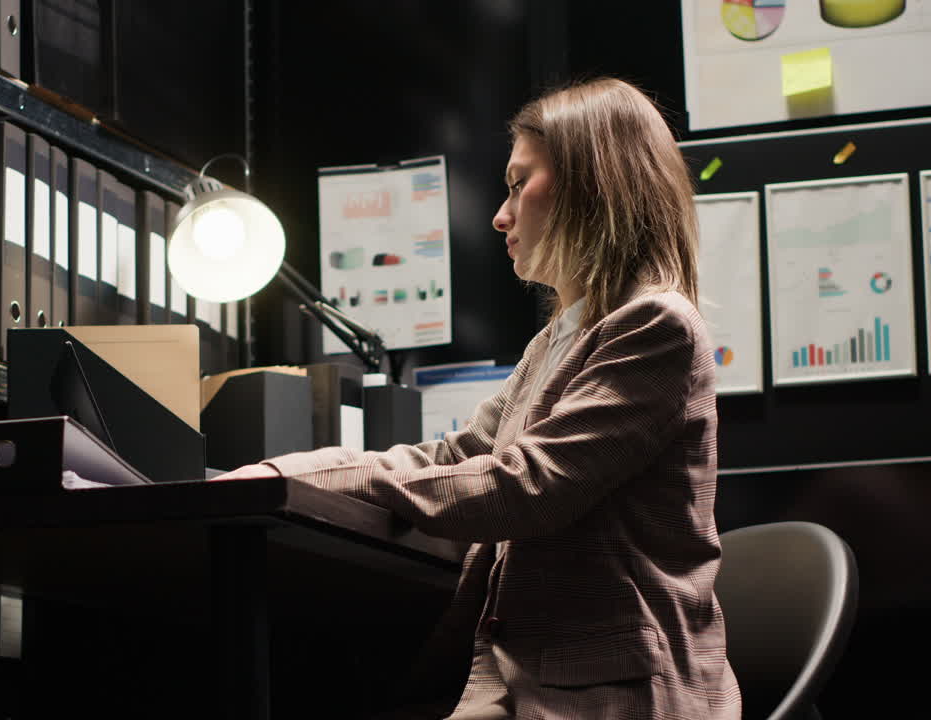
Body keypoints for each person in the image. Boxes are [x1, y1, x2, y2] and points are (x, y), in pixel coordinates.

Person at [213, 77, 742, 720]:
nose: (500, 214)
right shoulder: (556, 341)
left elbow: (523, 487)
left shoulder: (656, 326)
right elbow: (456, 453)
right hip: (530, 680)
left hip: (617, 695)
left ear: (593, 184)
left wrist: (320, 478)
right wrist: (289, 472)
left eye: (520, 184)